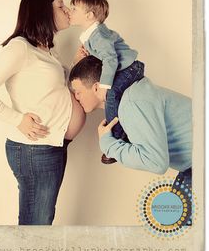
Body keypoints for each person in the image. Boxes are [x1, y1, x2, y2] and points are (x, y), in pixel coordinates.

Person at [0, 0, 86, 225]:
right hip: (34, 150)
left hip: (51, 146)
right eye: (61, 6)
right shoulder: (20, 48)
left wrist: (73, 65)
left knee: (42, 219)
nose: (66, 11)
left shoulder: (44, 48)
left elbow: (51, 91)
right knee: (36, 223)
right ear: (43, 11)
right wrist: (17, 120)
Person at [69, 56, 192, 224]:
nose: (75, 97)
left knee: (182, 233)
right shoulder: (132, 95)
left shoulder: (132, 102)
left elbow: (156, 162)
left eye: (78, 91)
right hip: (193, 166)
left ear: (96, 87)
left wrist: (108, 144)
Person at [69, 0, 144, 164]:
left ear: (89, 15)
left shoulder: (97, 35)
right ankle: (124, 134)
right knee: (116, 99)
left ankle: (115, 141)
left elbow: (111, 59)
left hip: (129, 68)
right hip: (127, 68)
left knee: (111, 98)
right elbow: (104, 55)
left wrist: (104, 85)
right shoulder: (92, 34)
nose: (69, 12)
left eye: (74, 9)